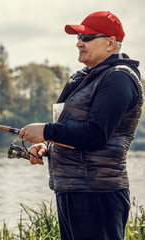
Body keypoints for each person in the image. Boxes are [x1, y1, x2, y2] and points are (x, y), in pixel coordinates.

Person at [18, 11, 143, 240]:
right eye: (78, 37)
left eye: (86, 37)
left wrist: (45, 130)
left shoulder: (118, 78)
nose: (78, 43)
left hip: (98, 194)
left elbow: (95, 134)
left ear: (110, 43)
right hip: (72, 189)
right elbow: (73, 129)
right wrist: (47, 145)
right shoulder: (85, 77)